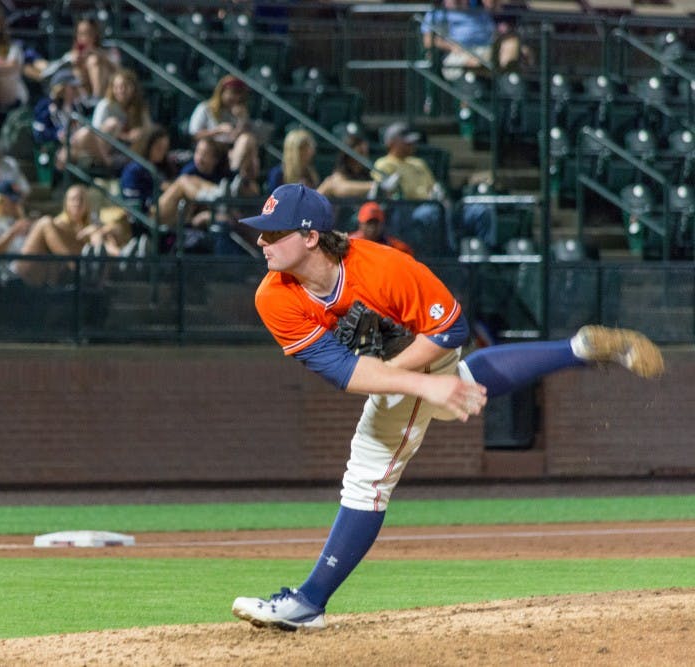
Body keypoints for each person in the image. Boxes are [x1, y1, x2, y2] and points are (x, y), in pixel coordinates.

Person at [230, 184, 664, 631]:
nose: (261, 241)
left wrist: (421, 380)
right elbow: (346, 373)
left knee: (369, 473)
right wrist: (420, 386)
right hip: (396, 365)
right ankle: (576, 348)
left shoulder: (382, 267)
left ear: (310, 237)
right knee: (461, 385)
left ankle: (308, 603)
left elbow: (451, 328)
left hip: (428, 344)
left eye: (273, 232)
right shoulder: (274, 296)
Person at [373, 121, 494, 254]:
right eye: (406, 141)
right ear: (391, 143)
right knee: (432, 212)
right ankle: (449, 253)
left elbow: (433, 187)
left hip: (437, 205)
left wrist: (440, 195)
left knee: (480, 211)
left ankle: (485, 255)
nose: (412, 144)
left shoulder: (418, 163)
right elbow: (384, 191)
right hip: (410, 211)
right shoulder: (383, 163)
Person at [187, 74, 261, 189]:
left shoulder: (237, 112)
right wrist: (218, 131)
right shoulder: (205, 108)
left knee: (248, 139)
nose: (236, 98)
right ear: (221, 92)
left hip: (230, 153)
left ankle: (237, 180)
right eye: (232, 93)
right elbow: (194, 134)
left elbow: (238, 138)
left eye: (239, 95)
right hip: (211, 150)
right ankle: (235, 178)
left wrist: (242, 120)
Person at [70, 67, 151, 170]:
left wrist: (139, 132)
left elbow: (149, 128)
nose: (121, 90)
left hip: (128, 149)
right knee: (112, 124)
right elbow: (95, 133)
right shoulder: (105, 105)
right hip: (105, 148)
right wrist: (125, 136)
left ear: (133, 87)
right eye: (117, 87)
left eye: (125, 86)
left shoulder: (140, 107)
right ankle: (107, 163)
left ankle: (131, 164)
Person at [18, 183, 94, 285]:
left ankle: (93, 278)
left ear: (87, 204)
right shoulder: (58, 223)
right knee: (45, 222)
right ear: (65, 203)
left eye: (81, 199)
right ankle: (77, 269)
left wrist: (98, 233)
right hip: (21, 270)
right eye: (73, 199)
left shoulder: (89, 226)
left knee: (97, 239)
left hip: (46, 279)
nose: (77, 203)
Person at [32, 69, 86, 171]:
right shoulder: (45, 106)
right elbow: (38, 133)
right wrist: (56, 134)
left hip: (76, 146)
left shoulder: (77, 106)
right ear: (62, 88)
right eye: (72, 87)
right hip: (57, 150)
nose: (76, 90)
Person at [65, 17, 118, 105]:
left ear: (96, 34)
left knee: (93, 60)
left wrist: (100, 55)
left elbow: (120, 71)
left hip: (107, 93)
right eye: (81, 34)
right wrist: (76, 62)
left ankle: (97, 99)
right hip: (82, 93)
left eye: (88, 33)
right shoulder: (73, 54)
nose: (84, 38)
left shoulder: (109, 50)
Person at [317, 131, 376, 200]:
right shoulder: (337, 176)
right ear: (348, 155)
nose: (364, 158)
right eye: (360, 152)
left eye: (366, 153)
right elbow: (340, 188)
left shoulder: (366, 175)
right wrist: (373, 186)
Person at [265, 128, 319, 193]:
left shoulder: (310, 174)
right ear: (293, 151)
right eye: (303, 147)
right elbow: (275, 200)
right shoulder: (278, 174)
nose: (310, 151)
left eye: (310, 147)